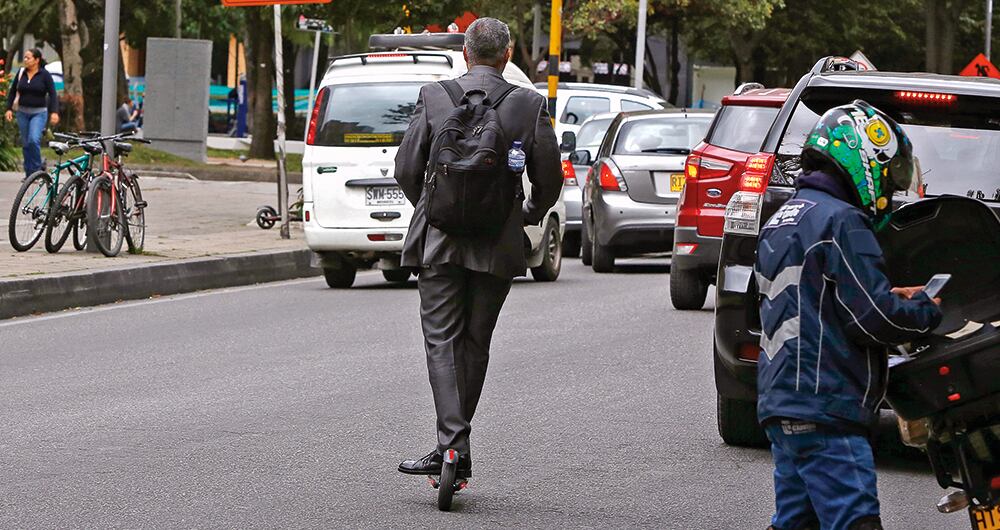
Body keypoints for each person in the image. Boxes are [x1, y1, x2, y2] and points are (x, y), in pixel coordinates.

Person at [755, 100, 943, 530]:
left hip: (784, 402)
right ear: (862, 159)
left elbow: (815, 298)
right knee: (857, 522)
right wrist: (923, 310)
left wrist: (883, 295)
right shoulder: (842, 221)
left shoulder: (785, 217)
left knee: (795, 523)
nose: (888, 190)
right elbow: (875, 319)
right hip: (826, 406)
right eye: (888, 174)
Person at [393, 17, 562, 478]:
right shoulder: (528, 103)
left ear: (465, 53)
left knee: (441, 342)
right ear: (507, 57)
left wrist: (433, 208)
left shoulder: (434, 96)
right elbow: (549, 181)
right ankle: (455, 448)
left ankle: (451, 446)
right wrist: (525, 212)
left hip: (439, 241)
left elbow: (406, 169)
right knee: (475, 344)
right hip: (497, 244)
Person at [4, 49, 59, 177]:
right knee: (26, 143)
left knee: (33, 140)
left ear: (36, 60)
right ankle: (29, 173)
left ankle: (36, 170)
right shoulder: (21, 73)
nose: (25, 60)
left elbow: (53, 94)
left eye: (28, 58)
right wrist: (8, 109)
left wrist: (54, 112)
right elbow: (12, 92)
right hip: (22, 113)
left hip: (39, 113)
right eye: (24, 57)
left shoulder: (44, 75)